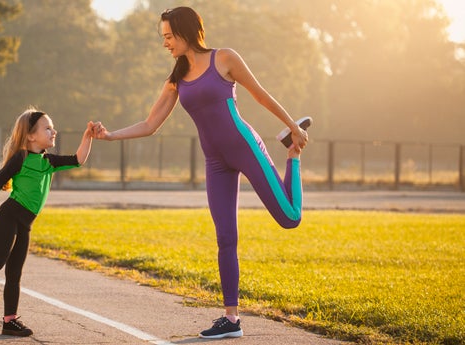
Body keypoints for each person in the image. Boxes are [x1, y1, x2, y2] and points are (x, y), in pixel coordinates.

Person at [92, 6, 311, 339]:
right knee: (225, 238)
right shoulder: (176, 79)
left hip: (244, 146)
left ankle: (291, 157)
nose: (165, 43)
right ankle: (231, 319)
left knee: (289, 218)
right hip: (215, 162)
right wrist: (110, 135)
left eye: (168, 36)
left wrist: (293, 127)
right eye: (162, 37)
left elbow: (260, 94)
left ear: (184, 31)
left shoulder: (224, 58)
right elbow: (151, 124)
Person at [0, 108, 94, 337]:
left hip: (26, 223)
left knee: (15, 273)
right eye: (47, 128)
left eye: (52, 127)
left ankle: (10, 321)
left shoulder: (49, 162)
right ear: (30, 136)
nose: (53, 131)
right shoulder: (21, 158)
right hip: (10, 215)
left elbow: (78, 160)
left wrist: (88, 136)